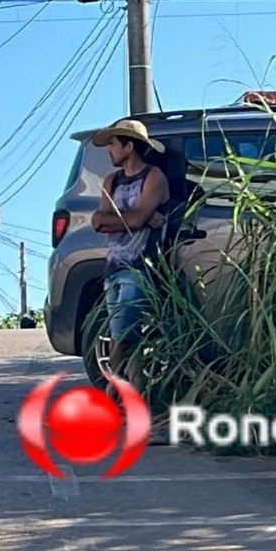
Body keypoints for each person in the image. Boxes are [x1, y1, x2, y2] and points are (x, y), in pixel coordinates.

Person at [89, 119, 170, 390]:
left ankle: (111, 392)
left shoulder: (153, 177)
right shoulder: (111, 182)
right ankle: (137, 397)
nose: (109, 150)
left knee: (123, 334)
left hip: (140, 266)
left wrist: (134, 219)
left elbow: (133, 220)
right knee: (122, 334)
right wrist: (141, 219)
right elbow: (98, 220)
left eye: (113, 143)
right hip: (113, 266)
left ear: (129, 145)